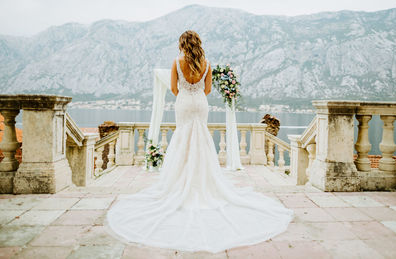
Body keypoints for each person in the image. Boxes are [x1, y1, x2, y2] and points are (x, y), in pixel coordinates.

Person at [106, 30, 294, 253]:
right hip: (200, 104)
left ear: (182, 44)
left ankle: (181, 182)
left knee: (183, 140)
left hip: (184, 103)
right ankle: (202, 181)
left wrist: (186, 92)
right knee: (201, 139)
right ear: (198, 43)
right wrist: (196, 92)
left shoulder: (177, 62)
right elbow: (207, 89)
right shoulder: (206, 63)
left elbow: (174, 89)